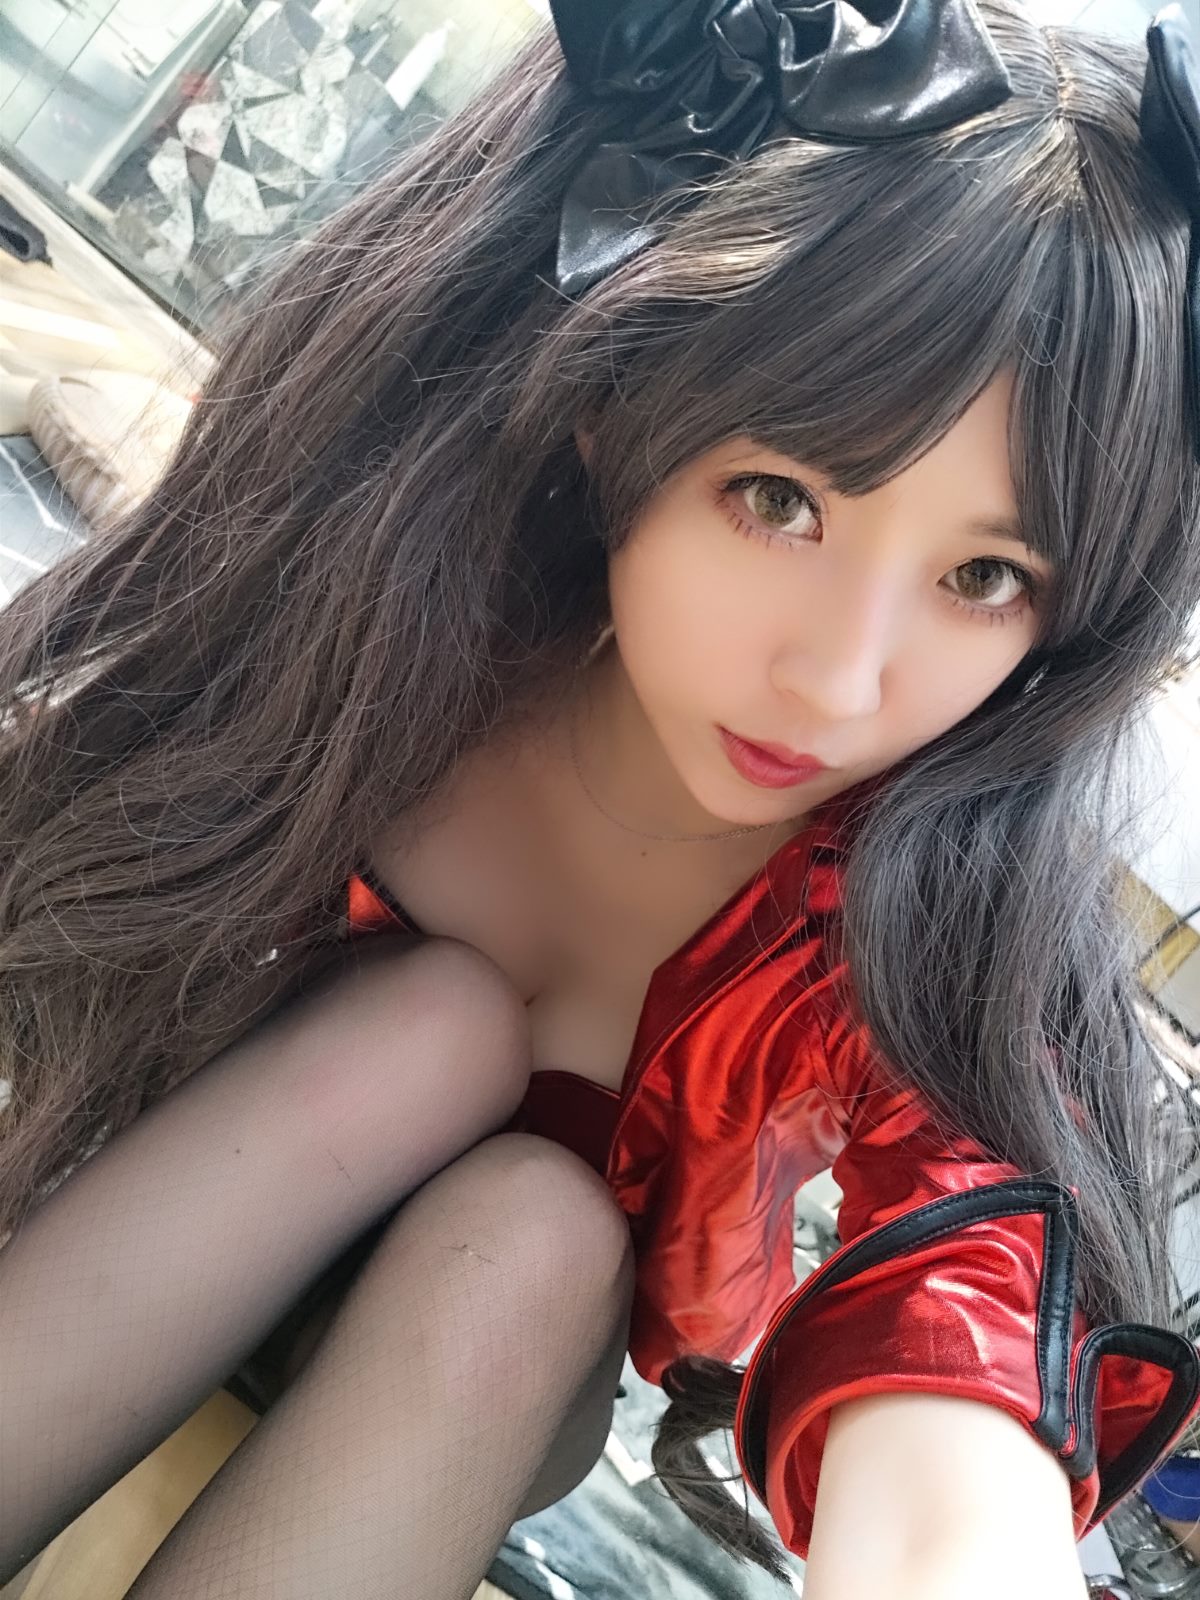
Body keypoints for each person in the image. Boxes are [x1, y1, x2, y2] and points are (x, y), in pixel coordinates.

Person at [0, 0, 1199, 1594]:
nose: (840, 683)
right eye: (778, 499)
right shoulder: (399, 638)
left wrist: (966, 1526)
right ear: (610, 394)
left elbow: (970, 1284)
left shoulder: (901, 928)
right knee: (429, 1029)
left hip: (486, 1360)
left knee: (542, 1227)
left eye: (984, 578)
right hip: (147, 1203)